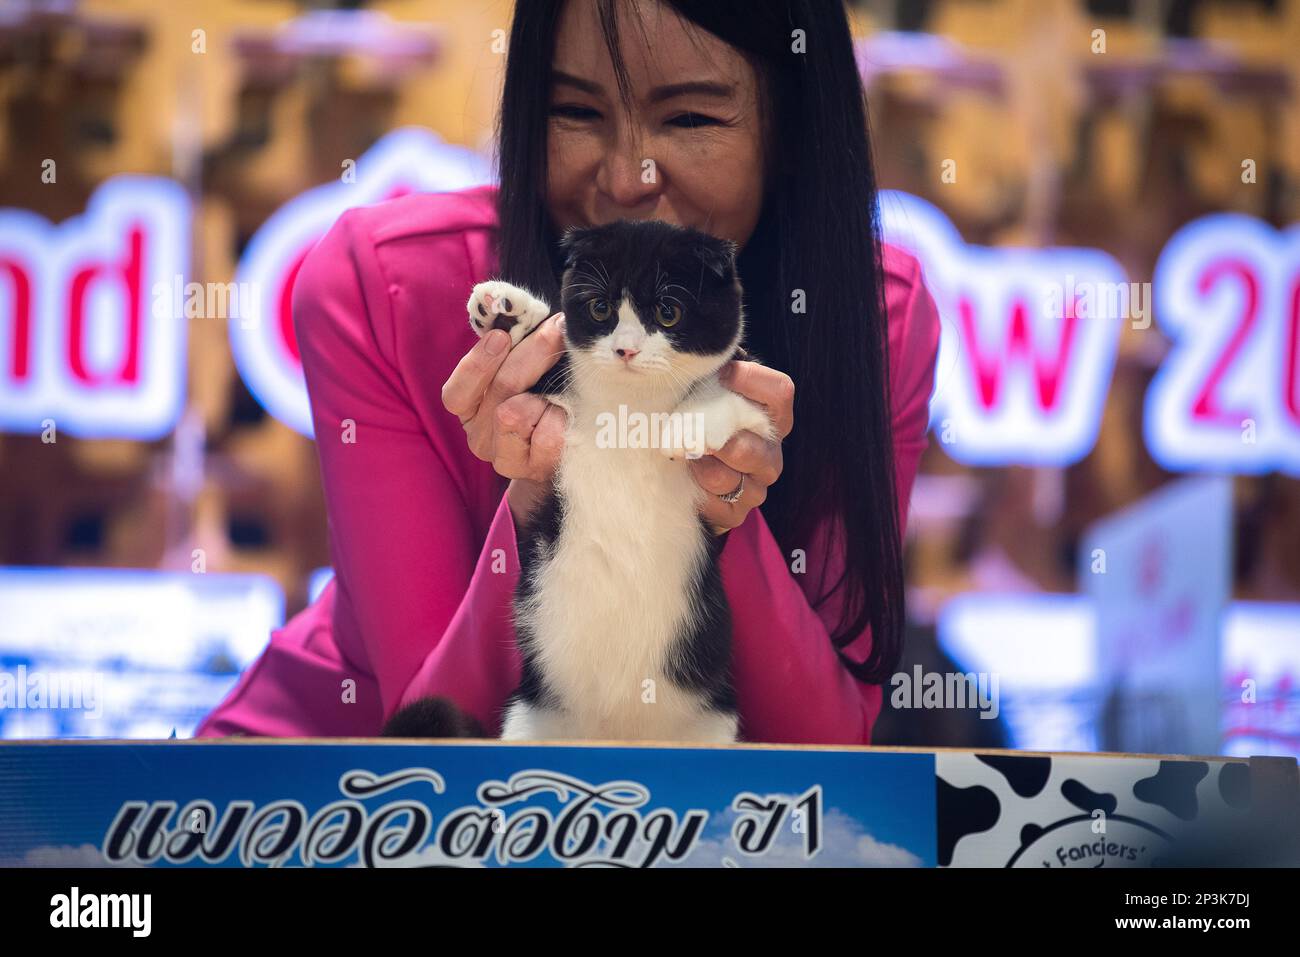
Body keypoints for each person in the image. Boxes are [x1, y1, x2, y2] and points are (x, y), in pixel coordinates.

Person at [195, 0, 940, 745]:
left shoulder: (874, 320)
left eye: (690, 121)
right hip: (312, 802)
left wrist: (703, 481)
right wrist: (538, 495)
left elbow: (825, 746)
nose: (625, 179)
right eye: (575, 112)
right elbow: (433, 747)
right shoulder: (387, 286)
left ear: (792, 128)